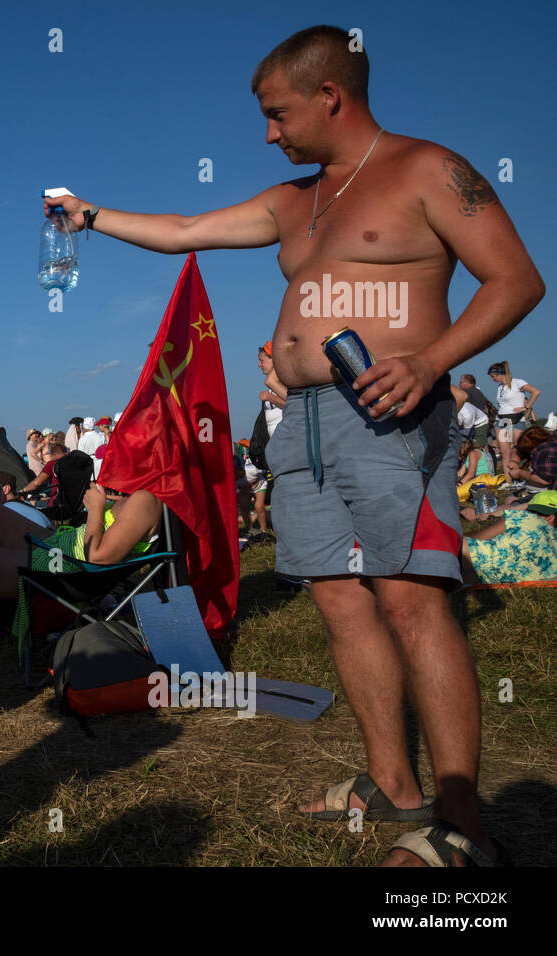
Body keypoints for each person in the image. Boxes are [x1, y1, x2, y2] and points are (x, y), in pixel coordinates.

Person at [43, 25, 545, 866]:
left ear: (330, 97)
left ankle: (465, 829)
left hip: (389, 413)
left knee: (411, 600)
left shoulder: (425, 169)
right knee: (342, 603)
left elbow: (518, 279)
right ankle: (394, 784)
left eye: (277, 115)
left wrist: (428, 361)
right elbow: (185, 227)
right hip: (299, 423)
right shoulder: (294, 200)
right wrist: (89, 216)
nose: (267, 134)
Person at [0, 483, 161, 680]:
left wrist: (96, 509)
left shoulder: (146, 500)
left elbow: (97, 559)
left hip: (65, 566)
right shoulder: (137, 496)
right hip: (59, 547)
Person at [460, 491, 557, 585]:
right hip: (490, 579)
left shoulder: (525, 518)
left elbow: (477, 538)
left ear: (550, 517)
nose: (531, 513)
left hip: (471, 559)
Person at [488, 361, 540, 476]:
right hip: (501, 421)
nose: (492, 379)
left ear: (499, 374)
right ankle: (509, 480)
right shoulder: (499, 387)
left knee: (522, 449)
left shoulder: (517, 382)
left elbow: (535, 392)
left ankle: (528, 474)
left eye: (492, 376)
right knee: (504, 452)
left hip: (517, 420)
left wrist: (526, 406)